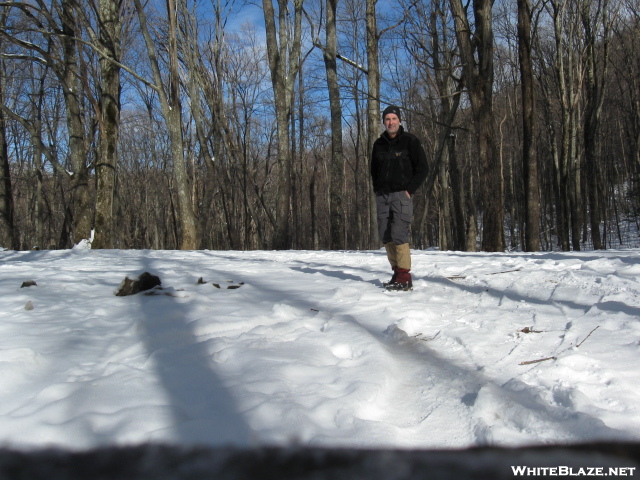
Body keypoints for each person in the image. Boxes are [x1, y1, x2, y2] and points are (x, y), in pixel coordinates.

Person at [371, 105, 428, 291]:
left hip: (401, 195)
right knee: (386, 235)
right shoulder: (378, 144)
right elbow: (374, 170)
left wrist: (409, 190)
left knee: (399, 233)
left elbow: (423, 168)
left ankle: (404, 277)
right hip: (382, 196)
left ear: (399, 121)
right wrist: (377, 190)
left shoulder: (410, 141)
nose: (390, 122)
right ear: (384, 122)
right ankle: (396, 272)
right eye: (387, 119)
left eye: (393, 119)